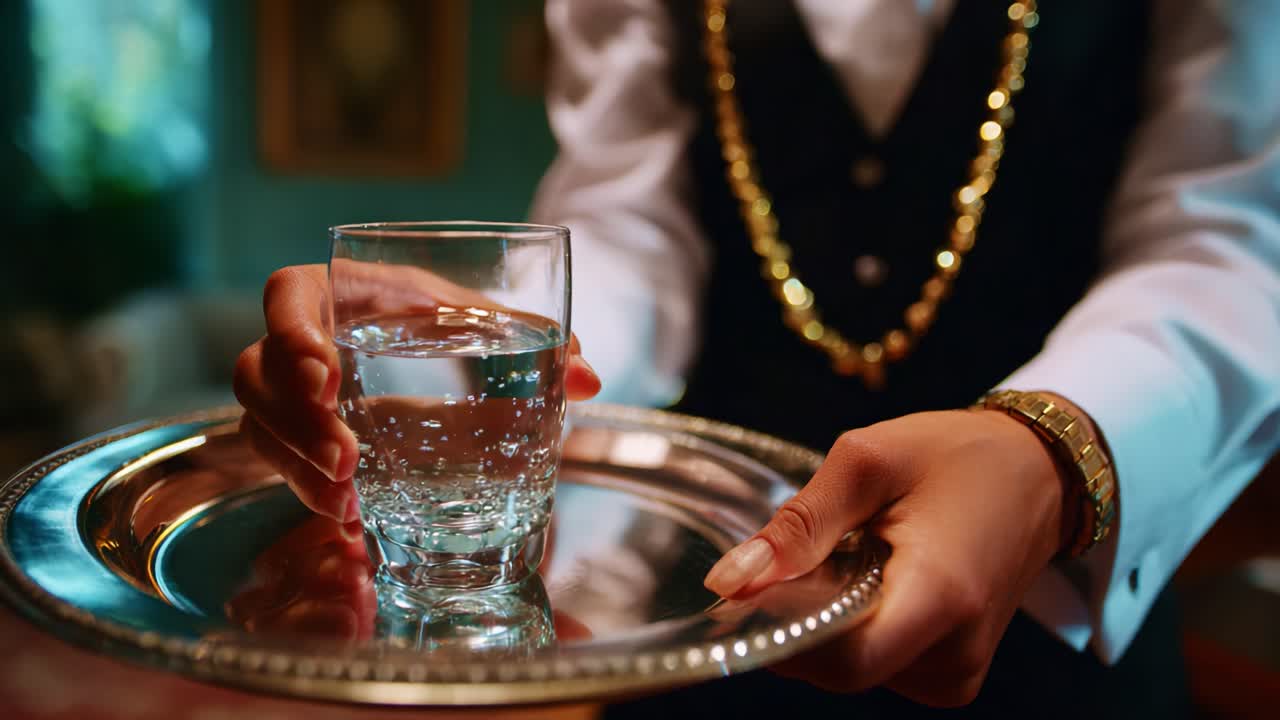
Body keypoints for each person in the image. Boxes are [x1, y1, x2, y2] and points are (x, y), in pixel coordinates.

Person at [234, 0, 1280, 716]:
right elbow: (630, 218)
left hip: (1053, 624)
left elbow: (1227, 231)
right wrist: (480, 351)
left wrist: (1053, 450)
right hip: (717, 610)